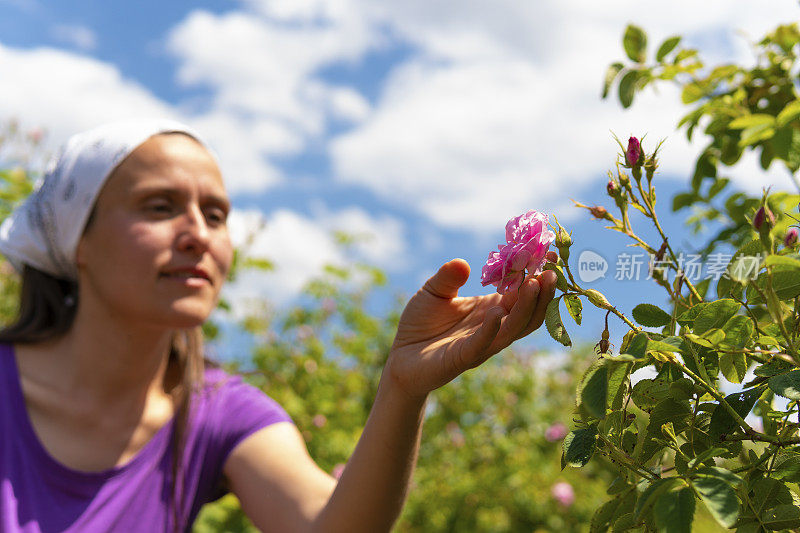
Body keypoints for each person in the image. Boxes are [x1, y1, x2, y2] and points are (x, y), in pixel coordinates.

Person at [0, 119, 557, 532]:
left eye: (215, 214)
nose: (198, 233)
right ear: (78, 242)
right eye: (159, 206)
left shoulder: (216, 412)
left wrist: (403, 388)